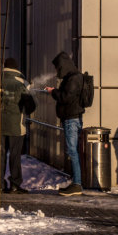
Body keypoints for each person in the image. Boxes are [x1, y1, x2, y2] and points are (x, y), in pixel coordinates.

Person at [45, 51, 85, 196]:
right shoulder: (72, 77)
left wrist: (53, 91)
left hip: (71, 119)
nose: (57, 71)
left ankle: (77, 184)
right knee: (72, 151)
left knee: (72, 151)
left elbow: (65, 97)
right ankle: (76, 182)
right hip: (71, 119)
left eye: (57, 68)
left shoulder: (73, 78)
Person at [1, 58, 33, 193]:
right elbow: (31, 106)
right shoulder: (23, 83)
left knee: (0, 154)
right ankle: (15, 183)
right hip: (17, 126)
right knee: (15, 155)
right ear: (16, 68)